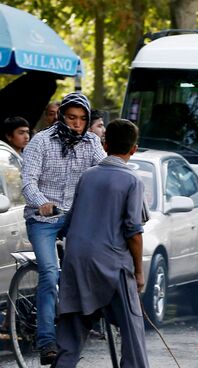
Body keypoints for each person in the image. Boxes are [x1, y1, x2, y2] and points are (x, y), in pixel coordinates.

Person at [53, 119, 149, 367]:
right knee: (132, 327)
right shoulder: (132, 180)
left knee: (71, 332)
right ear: (134, 149)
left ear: (105, 145)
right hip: (111, 263)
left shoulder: (88, 176)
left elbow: (70, 220)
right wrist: (138, 272)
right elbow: (134, 232)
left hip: (76, 260)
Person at [21, 92, 106, 364]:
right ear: (60, 116)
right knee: (49, 272)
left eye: (83, 119)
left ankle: (81, 326)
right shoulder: (40, 141)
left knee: (88, 265)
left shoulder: (92, 142)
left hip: (76, 218)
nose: (77, 124)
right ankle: (46, 341)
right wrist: (42, 203)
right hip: (43, 219)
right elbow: (28, 182)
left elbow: (106, 171)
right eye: (71, 117)